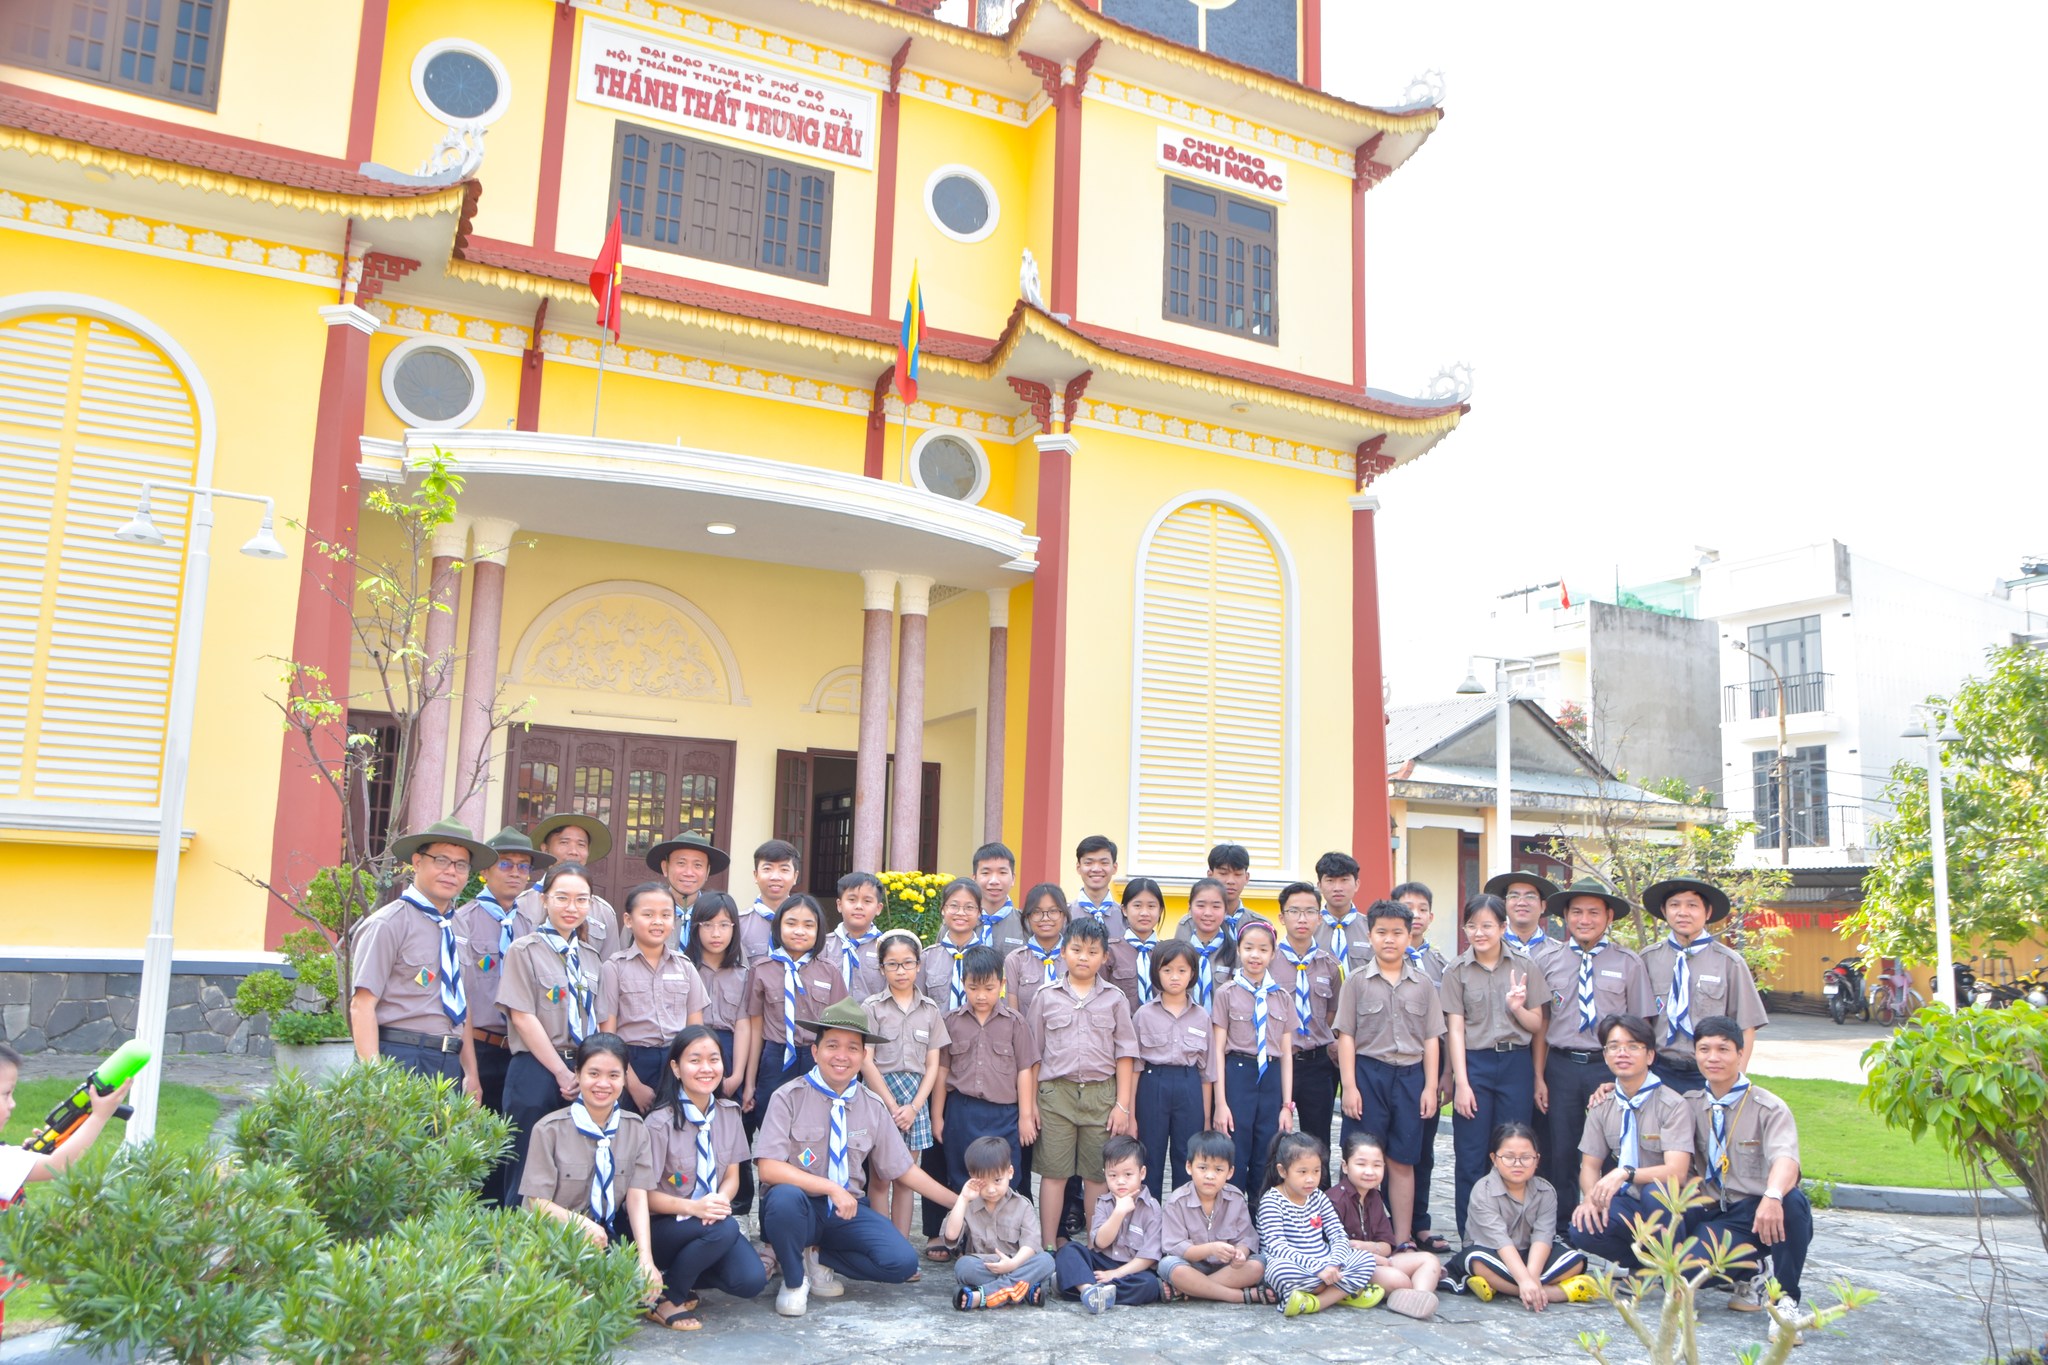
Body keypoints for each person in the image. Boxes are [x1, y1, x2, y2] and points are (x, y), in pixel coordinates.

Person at [754, 998, 960, 1317]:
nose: (842, 1056)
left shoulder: (871, 1105)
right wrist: (830, 1188)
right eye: (832, 1045)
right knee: (783, 1200)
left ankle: (819, 1257)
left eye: (852, 1048)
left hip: (845, 1212)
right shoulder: (788, 1097)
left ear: (864, 1056)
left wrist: (959, 1203)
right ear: (815, 1051)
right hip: (800, 1208)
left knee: (901, 1262)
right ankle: (794, 1281)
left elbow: (903, 1169)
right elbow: (768, 1168)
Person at [1676, 1015, 1816, 1341]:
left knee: (1792, 1202)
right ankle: (1753, 1271)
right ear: (1695, 1054)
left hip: (1759, 1209)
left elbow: (1786, 1159)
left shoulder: (1768, 1106)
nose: (1713, 1057)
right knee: (1686, 1271)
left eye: (1723, 1049)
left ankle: (1785, 1302)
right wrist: (1610, 1088)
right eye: (1704, 1049)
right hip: (1717, 1212)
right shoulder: (1688, 1105)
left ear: (1740, 1053)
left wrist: (1773, 1196)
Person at [1532, 877, 1654, 1233]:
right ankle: (1563, 1226)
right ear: (1565, 917)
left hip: (1610, 1068)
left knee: (1614, 1147)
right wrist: (1539, 1077)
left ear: (1609, 917)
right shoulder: (1547, 959)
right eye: (1577, 913)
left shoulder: (1628, 963)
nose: (1584, 920)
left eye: (1593, 913)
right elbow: (1541, 1024)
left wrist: (1629, 1079)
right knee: (1562, 1148)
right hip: (1562, 1066)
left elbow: (1641, 1025)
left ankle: (1614, 1222)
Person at [517, 1032, 662, 1309]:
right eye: (593, 1073)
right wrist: (581, 1224)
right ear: (577, 1074)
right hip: (553, 1241)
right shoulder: (549, 1129)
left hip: (605, 1237)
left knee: (636, 1296)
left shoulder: (635, 1128)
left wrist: (646, 1259)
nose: (603, 1084)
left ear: (624, 1079)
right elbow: (536, 1203)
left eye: (613, 1075)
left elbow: (636, 1196)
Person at [348, 819, 492, 1094]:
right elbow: (362, 1005)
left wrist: (471, 1075)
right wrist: (375, 1080)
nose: (451, 871)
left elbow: (462, 1005)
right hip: (400, 1056)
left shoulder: (459, 927)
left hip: (449, 1060)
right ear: (417, 862)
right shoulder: (389, 923)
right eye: (441, 860)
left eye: (461, 865)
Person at [638, 1025, 765, 1331]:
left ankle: (676, 1276)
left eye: (714, 1059)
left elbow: (732, 1176)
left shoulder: (729, 1114)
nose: (706, 1068)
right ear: (676, 1068)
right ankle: (667, 1299)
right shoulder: (658, 1123)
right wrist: (695, 1208)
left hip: (708, 1221)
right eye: (695, 1060)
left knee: (751, 1280)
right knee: (725, 1229)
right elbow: (642, 1196)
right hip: (664, 1225)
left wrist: (719, 1201)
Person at [1027, 915, 1139, 1250]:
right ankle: (1049, 1245)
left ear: (1104, 957)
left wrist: (1122, 1106)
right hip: (1055, 1096)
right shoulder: (1046, 996)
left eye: (1092, 951)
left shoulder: (1115, 999)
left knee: (1096, 1175)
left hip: (1101, 1097)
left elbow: (1125, 1055)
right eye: (1076, 949)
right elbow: (1032, 1056)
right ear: (1063, 952)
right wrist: (1030, 1106)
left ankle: (1095, 1246)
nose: (1083, 957)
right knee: (1054, 1173)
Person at [1441, 892, 1550, 1238]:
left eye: (1487, 925)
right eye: (1472, 926)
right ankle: (1471, 1238)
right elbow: (1455, 1030)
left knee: (1514, 1151)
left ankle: (1514, 1236)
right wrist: (1461, 1083)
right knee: (1471, 1154)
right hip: (1475, 1064)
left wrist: (1517, 1008)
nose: (1479, 933)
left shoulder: (1525, 966)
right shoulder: (1456, 971)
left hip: (1516, 1064)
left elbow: (1537, 1026)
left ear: (1503, 927)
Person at [1335, 899, 1442, 1250]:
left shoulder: (1423, 984)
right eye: (1381, 932)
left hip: (1411, 1077)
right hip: (1369, 1075)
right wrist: (1349, 1086)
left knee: (1402, 1159)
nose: (1390, 939)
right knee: (1361, 1156)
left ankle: (1402, 1238)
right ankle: (1351, 1236)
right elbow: (1346, 1036)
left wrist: (1429, 1087)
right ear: (1370, 936)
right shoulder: (1356, 982)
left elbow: (1431, 1039)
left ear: (1410, 936)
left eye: (1397, 932)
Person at [498, 861, 604, 1198]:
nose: (572, 907)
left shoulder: (591, 957)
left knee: (573, 1168)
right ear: (544, 900)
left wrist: (586, 1072)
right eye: (562, 898)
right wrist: (561, 1072)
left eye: (581, 899)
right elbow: (522, 1017)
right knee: (525, 1169)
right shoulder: (523, 950)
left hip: (581, 1072)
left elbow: (597, 1018)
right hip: (537, 1070)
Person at [455, 825, 550, 1202]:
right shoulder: (462, 921)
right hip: (481, 1046)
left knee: (516, 1141)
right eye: (506, 864)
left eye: (524, 867)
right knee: (474, 1141)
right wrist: (469, 1070)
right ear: (485, 871)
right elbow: (458, 997)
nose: (515, 873)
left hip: (523, 1049)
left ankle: (507, 1218)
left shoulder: (533, 927)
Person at [1568, 1013, 1694, 1271]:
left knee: (1655, 1193)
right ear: (1605, 1056)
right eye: (1614, 1047)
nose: (1622, 1053)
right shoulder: (1602, 1104)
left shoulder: (1672, 1105)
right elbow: (1589, 1166)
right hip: (1629, 1200)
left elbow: (1677, 1173)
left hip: (1675, 1205)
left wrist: (1625, 1173)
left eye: (1632, 1046)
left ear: (1650, 1056)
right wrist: (1591, 1198)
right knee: (1582, 1227)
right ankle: (1643, 1266)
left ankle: (1674, 1272)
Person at [935, 945, 1039, 1224]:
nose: (981, 995)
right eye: (974, 988)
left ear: (1002, 985)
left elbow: (1025, 1071)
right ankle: (965, 1234)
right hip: (962, 1112)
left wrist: (1026, 1117)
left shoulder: (1015, 1023)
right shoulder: (951, 1021)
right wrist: (937, 1117)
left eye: (989, 988)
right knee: (962, 1175)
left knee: (1004, 1177)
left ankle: (1006, 1235)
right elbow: (942, 1071)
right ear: (963, 983)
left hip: (1003, 1115)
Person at [859, 929, 949, 1239]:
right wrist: (891, 1105)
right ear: (881, 968)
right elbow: (865, 1060)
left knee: (905, 1177)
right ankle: (879, 1244)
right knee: (879, 1178)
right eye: (893, 964)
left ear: (918, 966)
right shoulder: (872, 1007)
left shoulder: (930, 1010)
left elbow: (933, 1065)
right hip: (879, 1097)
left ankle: (900, 1245)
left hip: (915, 1100)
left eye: (908, 963)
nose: (901, 971)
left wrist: (914, 1107)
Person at [1451, 1122, 1597, 1310]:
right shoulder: (1483, 1190)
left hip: (1529, 1254)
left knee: (1575, 1261)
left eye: (1526, 1157)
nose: (1518, 1164)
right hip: (1494, 1252)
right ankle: (1551, 1293)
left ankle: (1505, 1287)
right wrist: (1524, 1281)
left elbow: (1543, 1236)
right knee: (1476, 1261)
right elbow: (1500, 1240)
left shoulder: (1545, 1191)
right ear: (1494, 1158)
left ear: (1537, 1160)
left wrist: (1532, 1278)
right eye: (1508, 1157)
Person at [1640, 879, 1768, 1091]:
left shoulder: (1729, 963)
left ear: (1707, 912)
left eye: (1692, 905)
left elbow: (1747, 1026)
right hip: (1658, 1069)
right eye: (1674, 905)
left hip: (1709, 1071)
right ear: (1664, 911)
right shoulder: (1648, 959)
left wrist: (1737, 1079)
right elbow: (1640, 1021)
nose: (1682, 912)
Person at [739, 895, 848, 1140]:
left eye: (808, 925)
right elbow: (756, 1029)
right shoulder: (761, 970)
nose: (799, 931)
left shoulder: (829, 971)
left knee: (814, 1127)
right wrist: (750, 1083)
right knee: (771, 1123)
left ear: (819, 930)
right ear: (778, 927)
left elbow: (839, 1028)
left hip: (817, 1057)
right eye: (791, 923)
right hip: (775, 1056)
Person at [600, 882, 708, 1114]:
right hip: (630, 1062)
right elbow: (608, 1035)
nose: (658, 921)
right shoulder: (614, 967)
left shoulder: (685, 967)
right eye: (648, 914)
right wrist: (633, 1085)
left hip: (676, 1062)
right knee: (628, 1129)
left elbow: (695, 1031)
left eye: (666, 915)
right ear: (628, 920)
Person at [1212, 918, 1296, 1193]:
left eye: (1263, 949)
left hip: (1270, 1077)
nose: (1255, 955)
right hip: (1237, 1074)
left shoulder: (1282, 997)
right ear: (1239, 950)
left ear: (1273, 953)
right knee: (1235, 1149)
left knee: (1266, 1151)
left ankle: (1260, 1210)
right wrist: (1221, 1103)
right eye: (1248, 948)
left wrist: (1287, 1105)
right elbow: (1217, 1050)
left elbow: (1286, 1054)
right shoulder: (1226, 993)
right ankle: (1232, 1209)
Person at [1258, 1130, 1380, 1317]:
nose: (1311, 1179)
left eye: (1316, 1171)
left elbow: (1337, 1234)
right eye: (1302, 1172)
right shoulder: (1271, 1201)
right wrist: (1318, 1269)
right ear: (1282, 1171)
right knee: (1278, 1271)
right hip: (1296, 1265)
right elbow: (1278, 1248)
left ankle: (1314, 1302)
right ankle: (1341, 1291)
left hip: (1326, 1262)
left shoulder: (1318, 1196)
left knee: (1366, 1260)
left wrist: (1334, 1263)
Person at [681, 892, 751, 1215]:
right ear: (695, 927)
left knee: (733, 1130)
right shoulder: (684, 967)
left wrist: (738, 1075)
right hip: (692, 1049)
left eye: (724, 925)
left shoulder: (743, 972)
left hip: (730, 1051)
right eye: (707, 925)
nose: (716, 933)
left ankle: (738, 1205)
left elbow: (744, 1024)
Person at [1392, 879, 1452, 1253]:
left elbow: (1447, 1026)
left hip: (1426, 1066)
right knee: (1380, 1147)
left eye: (1421, 908)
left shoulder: (1443, 966)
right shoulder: (1378, 959)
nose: (1414, 914)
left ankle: (1420, 1223)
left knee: (1421, 1150)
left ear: (1430, 916)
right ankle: (1382, 1223)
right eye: (1406, 907)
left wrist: (1445, 1074)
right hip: (1385, 1065)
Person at [1331, 1130, 1442, 1319]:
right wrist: (1374, 1256)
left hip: (1378, 1261)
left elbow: (1387, 1245)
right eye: (1361, 1164)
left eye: (1376, 1165)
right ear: (1345, 1166)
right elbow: (1335, 1250)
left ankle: (1419, 1297)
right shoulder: (1335, 1200)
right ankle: (1410, 1295)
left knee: (1430, 1261)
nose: (1369, 1171)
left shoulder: (1374, 1197)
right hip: (1352, 1267)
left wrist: (1370, 1248)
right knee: (1399, 1280)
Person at [1272, 882, 1340, 1185]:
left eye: (1310, 911)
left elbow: (1331, 1013)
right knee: (1275, 1138)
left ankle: (1319, 1203)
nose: (1302, 918)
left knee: (1318, 1140)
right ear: (1282, 916)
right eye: (1294, 911)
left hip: (1317, 1064)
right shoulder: (1268, 962)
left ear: (1320, 917)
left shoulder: (1330, 965)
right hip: (1278, 1063)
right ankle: (1272, 1203)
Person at [1132, 940, 1211, 1199]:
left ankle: (1183, 1214)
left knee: (1187, 1155)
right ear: (1156, 973)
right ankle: (1149, 1215)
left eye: (1181, 970)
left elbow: (1207, 1071)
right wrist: (1131, 1114)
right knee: (1150, 1155)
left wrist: (1206, 1117)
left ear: (1192, 974)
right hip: (1153, 1083)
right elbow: (1135, 1067)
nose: (1174, 977)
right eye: (1167, 970)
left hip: (1189, 1086)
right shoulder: (1144, 1015)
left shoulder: (1202, 1016)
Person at [942, 1135, 1056, 1310]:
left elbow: (1031, 1244)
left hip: (1017, 1263)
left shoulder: (1022, 1205)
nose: (991, 1189)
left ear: (1010, 1172)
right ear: (972, 1177)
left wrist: (1013, 1264)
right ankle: (1022, 1290)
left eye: (997, 1180)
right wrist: (963, 1198)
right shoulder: (968, 1205)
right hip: (986, 1266)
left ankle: (985, 1296)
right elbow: (950, 1236)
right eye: (983, 1182)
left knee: (1046, 1260)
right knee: (963, 1266)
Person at [1158, 1128, 1271, 1305]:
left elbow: (1246, 1239)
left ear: (1230, 1172)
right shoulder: (1176, 1202)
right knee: (1169, 1266)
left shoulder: (1235, 1199)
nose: (1210, 1176)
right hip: (1192, 1266)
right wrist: (1211, 1249)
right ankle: (1237, 1296)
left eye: (1218, 1169)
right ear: (1189, 1167)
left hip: (1227, 1268)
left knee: (1258, 1264)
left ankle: (1191, 1290)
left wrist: (1240, 1254)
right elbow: (1176, 1247)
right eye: (1202, 1168)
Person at [1054, 1134, 1163, 1312]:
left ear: (1142, 1173)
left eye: (1128, 1174)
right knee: (1069, 1250)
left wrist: (1115, 1274)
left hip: (1131, 1269)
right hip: (1102, 1262)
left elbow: (1148, 1257)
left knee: (1149, 1285)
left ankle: (1078, 1286)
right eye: (1113, 1175)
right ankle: (1088, 1290)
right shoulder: (1103, 1203)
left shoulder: (1152, 1208)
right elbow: (1100, 1242)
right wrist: (1118, 1212)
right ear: (1105, 1174)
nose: (1120, 1181)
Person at [522, 813, 621, 951]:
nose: (573, 851)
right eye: (564, 842)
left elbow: (608, 962)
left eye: (581, 844)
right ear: (545, 848)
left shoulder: (603, 912)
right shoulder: (522, 905)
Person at [643, 831, 728, 950]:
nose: (689, 872)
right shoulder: (644, 913)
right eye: (681, 863)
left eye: (698, 865)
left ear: (707, 871)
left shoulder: (720, 915)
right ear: (665, 867)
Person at [920, 878, 987, 1012]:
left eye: (969, 907)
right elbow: (918, 1005)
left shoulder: (990, 959)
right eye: (954, 906)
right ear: (943, 910)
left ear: (979, 912)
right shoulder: (926, 958)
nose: (961, 913)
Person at [1003, 883, 1071, 1013]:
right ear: (1028, 917)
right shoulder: (1015, 960)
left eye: (1053, 911)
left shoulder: (1075, 957)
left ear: (1064, 915)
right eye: (1037, 912)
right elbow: (1013, 1014)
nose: (1045, 918)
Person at [822, 871, 885, 998]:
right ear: (839, 905)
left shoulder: (885, 947)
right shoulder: (823, 945)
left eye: (867, 901)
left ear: (878, 908)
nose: (859, 906)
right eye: (852, 900)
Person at [1107, 877, 1166, 1010]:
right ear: (1124, 910)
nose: (1144, 913)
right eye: (1137, 906)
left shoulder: (1167, 952)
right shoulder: (1110, 951)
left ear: (1160, 910)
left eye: (1151, 906)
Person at [739, 840, 803, 963]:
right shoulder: (739, 925)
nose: (775, 877)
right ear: (756, 875)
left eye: (784, 870)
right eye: (767, 869)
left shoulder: (807, 924)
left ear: (795, 877)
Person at [1179, 877, 1238, 1009]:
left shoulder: (1237, 953)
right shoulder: (1178, 952)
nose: (1208, 913)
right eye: (1200, 905)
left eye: (1216, 906)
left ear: (1225, 910)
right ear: (1190, 907)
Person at [1176, 844, 1253, 940]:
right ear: (1210, 875)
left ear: (1247, 877)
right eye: (1223, 873)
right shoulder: (1189, 924)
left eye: (1237, 874)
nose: (1230, 881)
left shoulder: (1258, 923)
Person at [1316, 853, 1371, 978]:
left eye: (1344, 880)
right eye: (1330, 881)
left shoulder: (1371, 928)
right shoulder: (1309, 928)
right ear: (1319, 886)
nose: (1337, 888)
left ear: (1357, 884)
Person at [971, 842, 1029, 953]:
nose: (994, 881)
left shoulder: (1027, 925)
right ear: (974, 878)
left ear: (1013, 879)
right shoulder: (958, 922)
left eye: (1002, 873)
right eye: (986, 873)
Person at [1486, 872, 1561, 953]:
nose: (1521, 903)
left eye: (1530, 897)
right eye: (1514, 896)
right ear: (1504, 904)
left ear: (1543, 906)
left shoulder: (1558, 952)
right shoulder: (1487, 949)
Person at [1071, 835, 1124, 934]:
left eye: (1104, 863)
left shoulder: (1125, 916)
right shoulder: (1065, 915)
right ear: (1078, 867)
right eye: (1088, 863)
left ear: (1115, 868)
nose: (1096, 869)